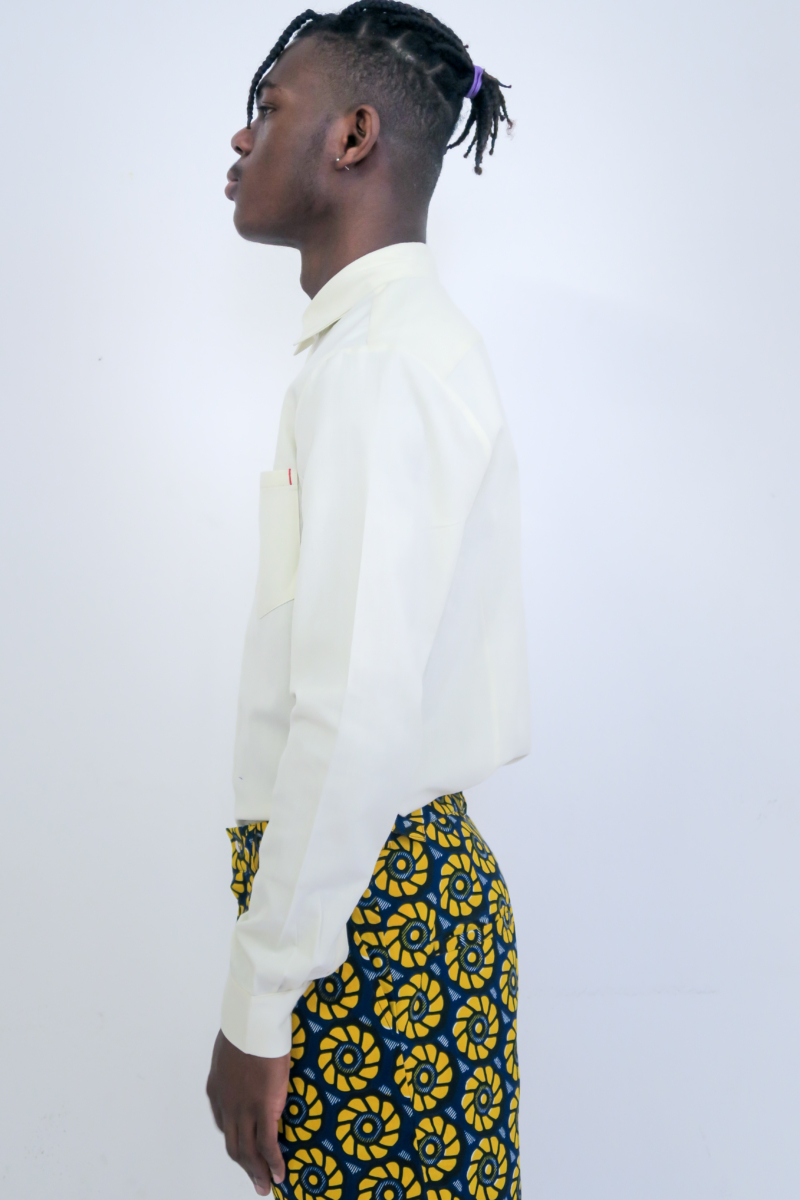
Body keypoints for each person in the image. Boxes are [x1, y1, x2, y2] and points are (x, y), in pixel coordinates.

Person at [205, 4, 530, 1195]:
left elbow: (350, 711)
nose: (239, 138)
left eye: (268, 107)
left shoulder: (381, 365)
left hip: (373, 919)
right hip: (378, 900)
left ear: (352, 137)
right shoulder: (374, 353)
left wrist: (258, 1004)